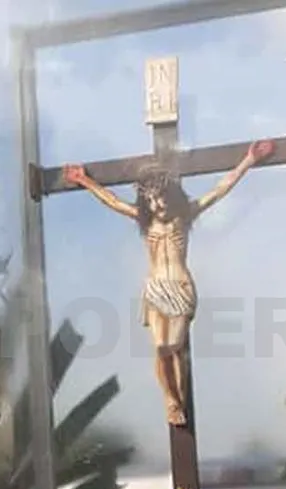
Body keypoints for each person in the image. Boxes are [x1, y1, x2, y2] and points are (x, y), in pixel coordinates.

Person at [63, 138, 275, 426]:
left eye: (160, 197)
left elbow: (219, 190)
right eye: (150, 200)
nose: (156, 204)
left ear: (170, 194)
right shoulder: (146, 221)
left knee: (174, 346)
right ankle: (172, 401)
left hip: (180, 288)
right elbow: (112, 201)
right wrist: (85, 181)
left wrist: (248, 161)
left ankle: (179, 399)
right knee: (161, 349)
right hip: (154, 289)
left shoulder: (183, 215)